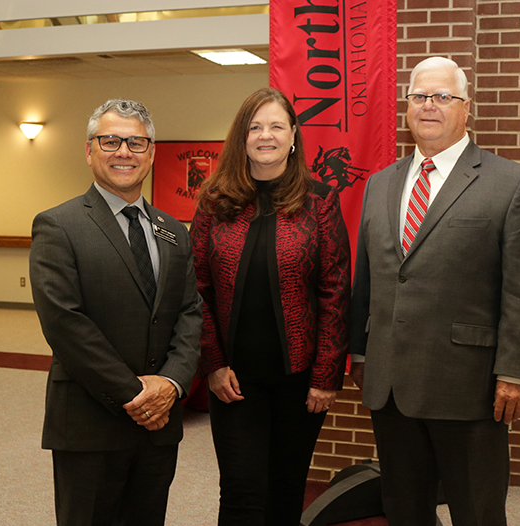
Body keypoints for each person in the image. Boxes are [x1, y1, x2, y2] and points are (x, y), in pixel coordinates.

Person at [349, 57, 520, 526]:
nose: (429, 106)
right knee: (404, 508)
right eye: (419, 96)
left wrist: (517, 373)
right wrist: (360, 353)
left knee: (476, 510)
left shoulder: (511, 183)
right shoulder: (380, 184)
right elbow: (371, 278)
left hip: (468, 383)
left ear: (466, 108)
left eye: (443, 97)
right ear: (407, 107)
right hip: (391, 384)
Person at [29, 99, 203, 526]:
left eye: (136, 143)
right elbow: (65, 323)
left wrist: (170, 384)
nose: (124, 152)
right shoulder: (59, 225)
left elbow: (190, 314)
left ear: (152, 153)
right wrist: (134, 394)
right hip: (91, 421)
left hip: (159, 422)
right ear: (89, 150)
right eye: (111, 141)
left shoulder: (173, 230)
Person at [190, 87, 351, 526]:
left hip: (300, 382)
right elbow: (196, 290)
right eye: (256, 126)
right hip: (233, 381)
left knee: (286, 490)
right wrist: (214, 365)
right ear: (242, 137)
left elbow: (336, 291)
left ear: (293, 135)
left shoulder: (319, 200)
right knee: (241, 495)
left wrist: (325, 376)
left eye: (276, 126)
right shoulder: (213, 201)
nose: (266, 135)